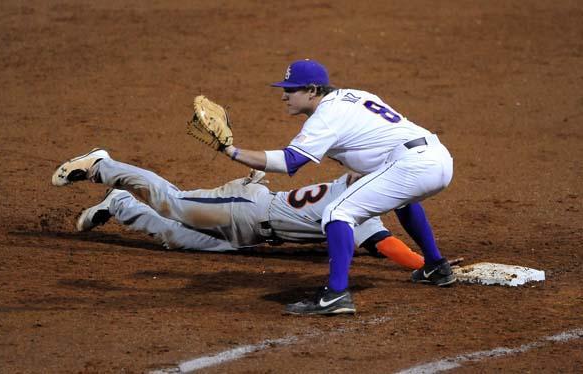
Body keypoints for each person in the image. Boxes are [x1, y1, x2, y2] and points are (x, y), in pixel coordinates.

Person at [216, 59, 455, 315]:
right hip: (436, 158)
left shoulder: (325, 117)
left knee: (336, 212)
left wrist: (231, 151)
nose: (284, 96)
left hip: (413, 165)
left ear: (312, 91)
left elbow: (289, 162)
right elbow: (379, 135)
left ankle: (335, 295)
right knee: (401, 198)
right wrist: (364, 169)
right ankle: (436, 266)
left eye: (291, 90)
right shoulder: (354, 96)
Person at [51, 149, 425, 271]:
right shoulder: (355, 208)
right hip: (245, 211)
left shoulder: (353, 193)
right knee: (173, 202)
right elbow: (390, 249)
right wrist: (428, 266)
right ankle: (102, 165)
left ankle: (120, 205)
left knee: (177, 238)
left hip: (251, 235)